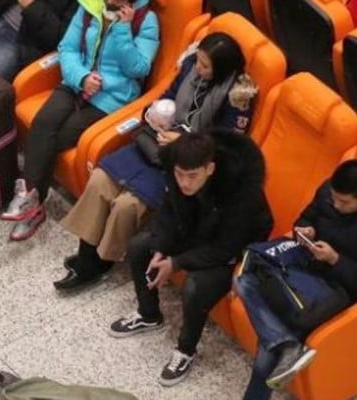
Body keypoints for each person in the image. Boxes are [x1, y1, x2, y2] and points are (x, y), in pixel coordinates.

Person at [55, 32, 257, 292]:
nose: (198, 67)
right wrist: (155, 113)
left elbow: (227, 145)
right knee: (100, 180)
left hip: (186, 162)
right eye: (198, 60)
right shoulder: (190, 65)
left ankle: (102, 260)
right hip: (154, 143)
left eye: (205, 66)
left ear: (222, 69)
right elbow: (169, 95)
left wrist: (184, 140)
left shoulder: (238, 96)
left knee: (127, 205)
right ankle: (87, 255)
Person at [5, 0, 159, 241]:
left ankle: (30, 198)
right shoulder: (91, 1)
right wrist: (82, 76)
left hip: (111, 97)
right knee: (43, 123)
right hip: (76, 82)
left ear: (131, 2)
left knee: (58, 137)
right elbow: (68, 47)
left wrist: (123, 31)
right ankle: (31, 200)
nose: (108, 0)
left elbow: (138, 68)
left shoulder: (146, 22)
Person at [108, 131, 273, 386]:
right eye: (179, 174)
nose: (184, 183)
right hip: (197, 230)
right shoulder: (177, 169)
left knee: (195, 287)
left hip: (235, 249)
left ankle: (186, 350)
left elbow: (224, 248)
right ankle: (148, 314)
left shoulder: (241, 192)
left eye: (192, 176)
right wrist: (161, 247)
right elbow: (169, 211)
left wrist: (176, 263)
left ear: (210, 169)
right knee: (140, 247)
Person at [236, 161, 357, 399]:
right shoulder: (328, 191)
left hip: (337, 287)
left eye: (343, 202)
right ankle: (285, 342)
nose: (335, 204)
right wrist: (305, 229)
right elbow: (304, 219)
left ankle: (279, 346)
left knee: (268, 352)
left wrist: (335, 259)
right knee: (244, 280)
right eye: (333, 198)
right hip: (304, 265)